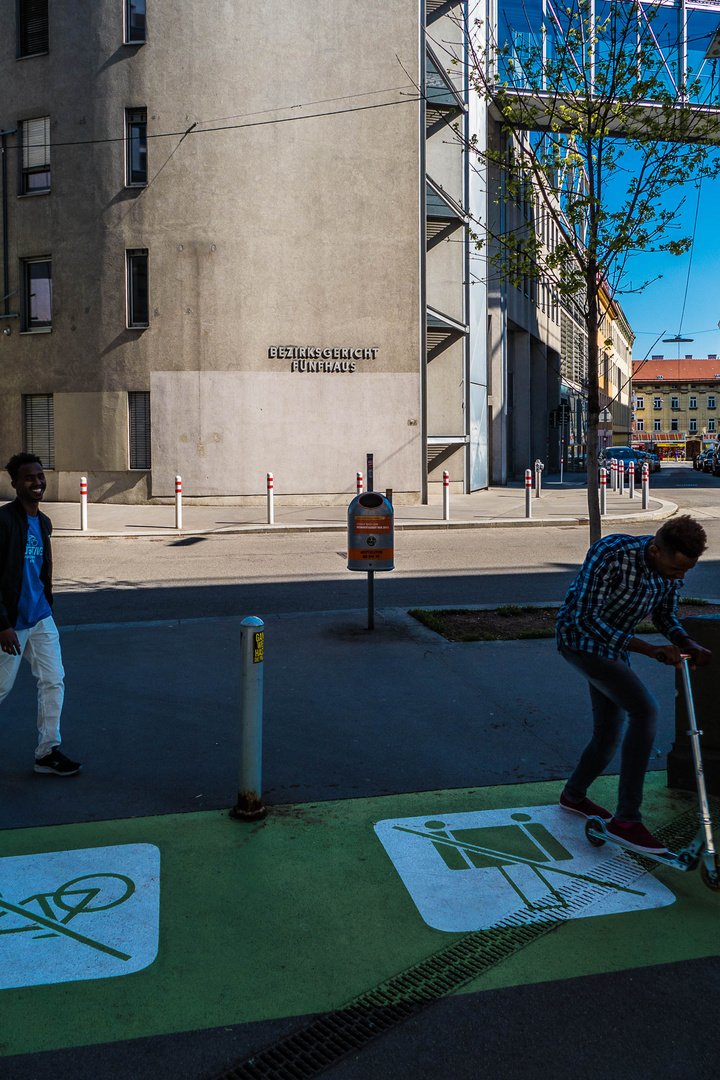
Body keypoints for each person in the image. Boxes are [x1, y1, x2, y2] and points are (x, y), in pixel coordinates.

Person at [556, 515, 710, 854]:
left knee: (610, 732)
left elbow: (664, 615)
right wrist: (649, 649)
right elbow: (585, 618)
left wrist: (687, 643)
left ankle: (573, 795)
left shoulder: (671, 570)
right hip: (579, 640)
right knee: (644, 710)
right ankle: (626, 821)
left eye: (686, 571)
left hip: (614, 647)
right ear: (655, 551)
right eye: (676, 569)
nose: (680, 576)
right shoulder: (611, 553)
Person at [0, 453, 81, 775]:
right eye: (29, 478)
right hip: (11, 622)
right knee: (1, 688)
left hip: (41, 616)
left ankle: (47, 752)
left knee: (53, 680)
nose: (37, 482)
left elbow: (40, 573)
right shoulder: (4, 521)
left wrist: (46, 605)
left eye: (40, 476)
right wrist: (2, 623)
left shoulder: (44, 522)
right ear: (15, 484)